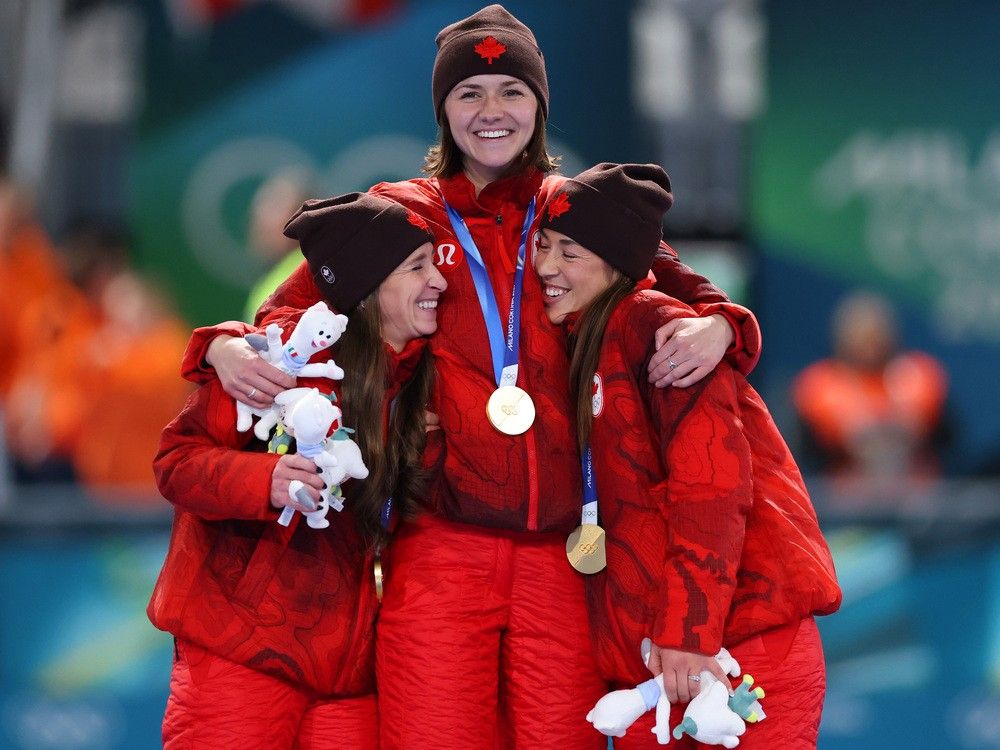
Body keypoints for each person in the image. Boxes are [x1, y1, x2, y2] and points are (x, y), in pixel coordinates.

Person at [178, 6, 762, 748]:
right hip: (438, 549)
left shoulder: (577, 211)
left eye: (511, 92)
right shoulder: (401, 214)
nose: (492, 112)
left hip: (565, 554)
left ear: (540, 107)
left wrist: (724, 325)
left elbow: (683, 288)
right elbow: (282, 317)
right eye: (470, 94)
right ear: (443, 111)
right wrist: (221, 347)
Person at [533, 162, 841, 749]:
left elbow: (713, 490)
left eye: (570, 253)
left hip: (733, 649)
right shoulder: (590, 334)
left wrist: (688, 628)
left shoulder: (662, 332)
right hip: (670, 662)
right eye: (544, 247)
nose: (547, 266)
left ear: (618, 264)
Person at [148, 193, 445, 749]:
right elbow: (176, 463)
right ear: (368, 286)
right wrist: (267, 480)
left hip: (350, 674)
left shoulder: (420, 376)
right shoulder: (278, 355)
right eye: (417, 268)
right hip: (242, 650)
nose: (439, 283)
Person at [792, 290, 949, 484]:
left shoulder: (918, 374)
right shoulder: (819, 383)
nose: (870, 342)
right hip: (843, 499)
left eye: (876, 333)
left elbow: (921, 428)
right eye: (861, 333)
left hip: (916, 495)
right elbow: (840, 438)